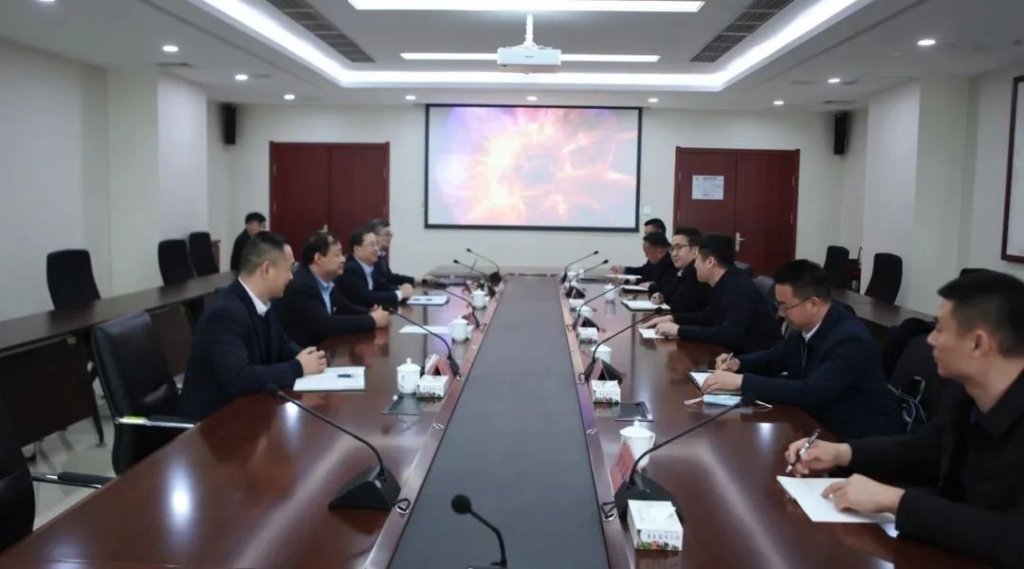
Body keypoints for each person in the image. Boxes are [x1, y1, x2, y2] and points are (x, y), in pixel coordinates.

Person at [783, 271, 1024, 568]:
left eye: (940, 330)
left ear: (978, 344)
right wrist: (842, 453)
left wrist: (895, 501)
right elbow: (920, 451)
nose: (930, 340)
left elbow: (1013, 537)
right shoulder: (964, 395)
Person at [702, 260, 903, 439]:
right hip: (817, 424)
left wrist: (742, 382)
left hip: (857, 440)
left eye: (785, 307)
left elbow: (811, 392)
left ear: (813, 304)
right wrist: (738, 363)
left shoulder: (849, 340)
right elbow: (775, 357)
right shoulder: (806, 327)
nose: (781, 314)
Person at [180, 232, 326, 421]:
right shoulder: (224, 313)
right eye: (289, 269)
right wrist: (297, 367)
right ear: (267, 269)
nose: (292, 277)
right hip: (213, 423)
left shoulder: (261, 302)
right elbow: (238, 377)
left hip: (247, 412)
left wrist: (312, 358)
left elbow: (281, 343)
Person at [654, 234, 780, 354]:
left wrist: (679, 331)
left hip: (754, 359)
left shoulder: (738, 288)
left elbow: (728, 334)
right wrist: (673, 318)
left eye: (696, 259)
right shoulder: (726, 280)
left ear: (710, 262)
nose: (695, 265)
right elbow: (708, 316)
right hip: (734, 353)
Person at [277, 231, 389, 347]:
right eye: (337, 255)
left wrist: (369, 313)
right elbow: (326, 324)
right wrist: (371, 320)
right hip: (304, 351)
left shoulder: (327, 282)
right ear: (318, 258)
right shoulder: (302, 285)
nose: (343, 259)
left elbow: (345, 308)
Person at [335, 226, 414, 309]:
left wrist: (401, 290)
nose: (377, 249)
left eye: (377, 245)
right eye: (372, 245)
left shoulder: (370, 267)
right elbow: (367, 298)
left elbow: (382, 286)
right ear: (357, 249)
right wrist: (400, 294)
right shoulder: (350, 269)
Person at [644, 227, 712, 321]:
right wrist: (660, 296)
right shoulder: (682, 271)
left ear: (695, 250)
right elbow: (669, 293)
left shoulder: (696, 273)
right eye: (672, 249)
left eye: (679, 247)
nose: (674, 254)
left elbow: (678, 306)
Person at [366, 218, 431, 287]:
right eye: (387, 234)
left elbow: (389, 277)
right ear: (373, 235)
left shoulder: (381, 255)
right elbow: (382, 281)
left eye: (390, 235)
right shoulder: (370, 257)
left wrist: (415, 280)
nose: (389, 238)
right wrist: (400, 291)